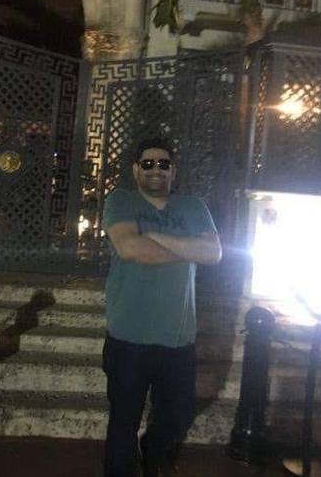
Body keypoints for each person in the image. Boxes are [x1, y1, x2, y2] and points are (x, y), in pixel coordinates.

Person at [102, 136, 222, 477]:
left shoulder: (193, 206)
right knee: (123, 422)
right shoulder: (121, 200)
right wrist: (188, 248)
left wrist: (154, 237)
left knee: (177, 417)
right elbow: (130, 248)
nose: (156, 170)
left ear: (173, 171)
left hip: (177, 339)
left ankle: (153, 454)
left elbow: (213, 253)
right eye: (148, 164)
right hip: (128, 337)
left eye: (163, 164)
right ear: (136, 169)